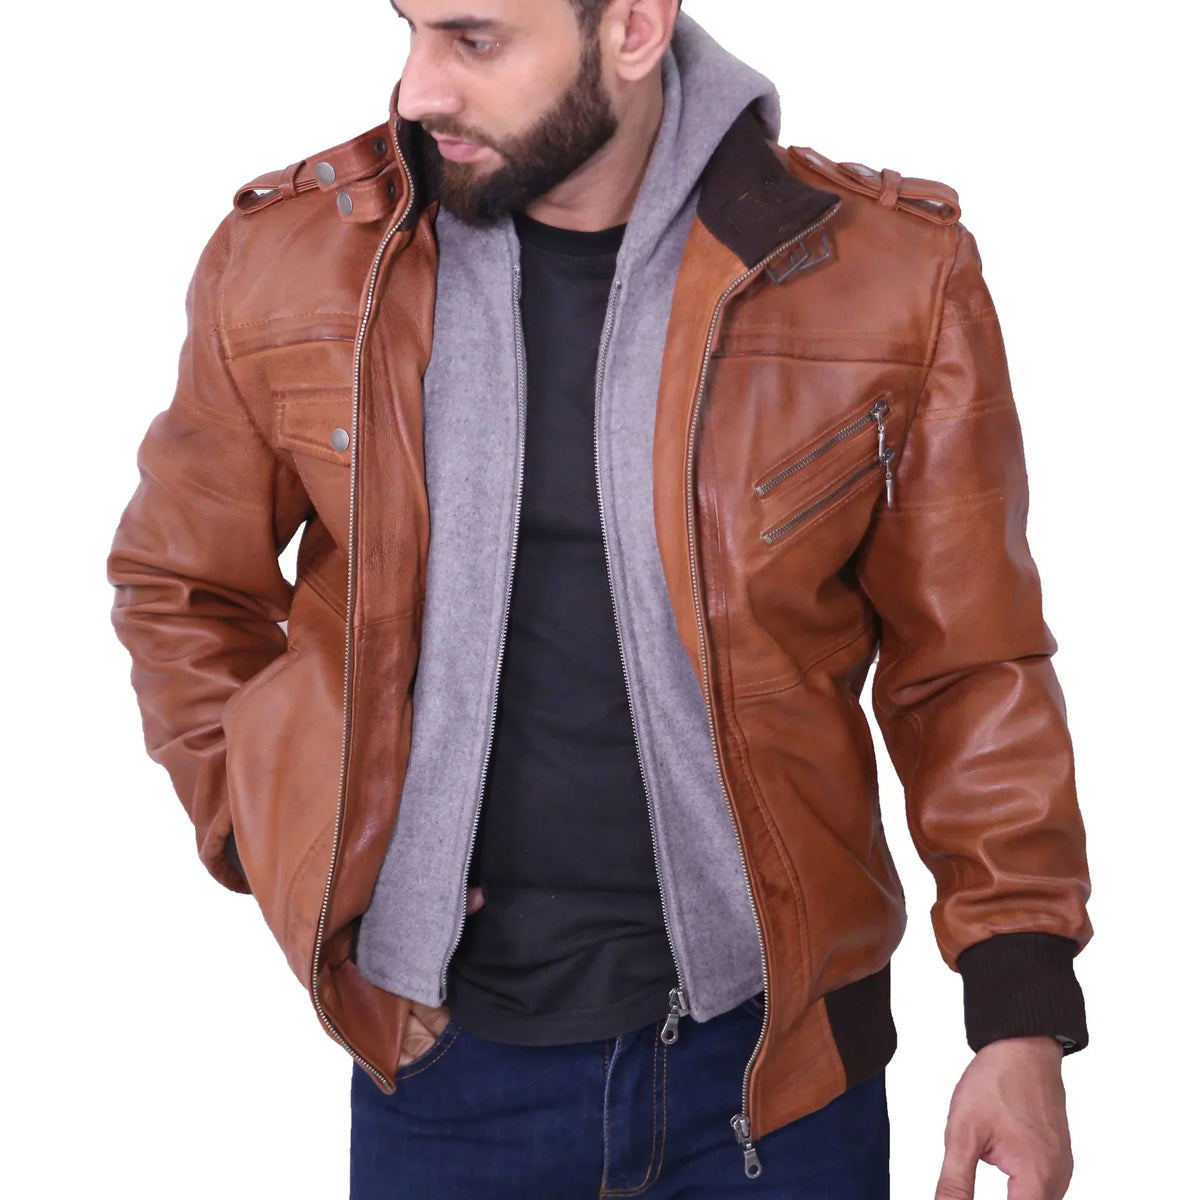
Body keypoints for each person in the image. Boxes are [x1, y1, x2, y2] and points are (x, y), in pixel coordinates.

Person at [105, 1, 1094, 1196]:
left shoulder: (884, 277)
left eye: (473, 40)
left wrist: (1019, 1015)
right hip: (446, 1077)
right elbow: (181, 585)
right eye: (411, 29)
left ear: (631, 27)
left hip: (780, 1079)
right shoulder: (294, 263)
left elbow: (970, 664)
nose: (416, 89)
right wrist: (282, 841)